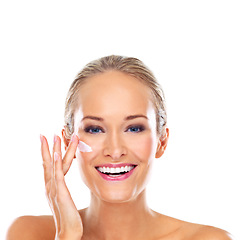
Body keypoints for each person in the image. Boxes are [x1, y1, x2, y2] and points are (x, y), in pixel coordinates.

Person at [7, 55, 234, 240]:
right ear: (69, 142)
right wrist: (67, 235)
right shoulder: (30, 233)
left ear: (161, 141)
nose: (115, 151)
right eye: (95, 129)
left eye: (134, 128)